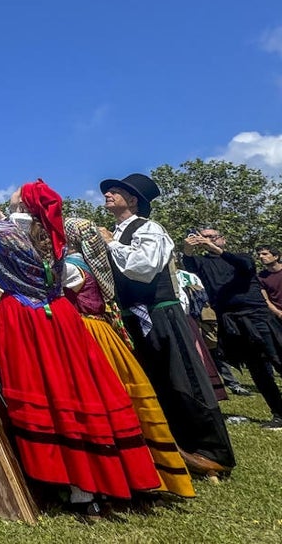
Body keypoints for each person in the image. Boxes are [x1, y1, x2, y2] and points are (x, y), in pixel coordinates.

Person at [0, 181, 160, 513]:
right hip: (62, 317)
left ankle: (67, 478)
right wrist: (4, 219)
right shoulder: (53, 233)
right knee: (78, 389)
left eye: (13, 203)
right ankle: (104, 475)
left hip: (26, 319)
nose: (7, 207)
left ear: (23, 208)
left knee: (45, 390)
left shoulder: (4, 231)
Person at [97, 173, 235, 477]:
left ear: (132, 201)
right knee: (157, 379)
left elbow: (143, 268)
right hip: (134, 315)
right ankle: (178, 446)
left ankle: (214, 452)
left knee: (185, 377)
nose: (108, 194)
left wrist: (110, 244)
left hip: (161, 312)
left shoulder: (149, 228)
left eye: (116, 191)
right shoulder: (115, 234)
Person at [60, 217, 195, 498]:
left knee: (95, 399)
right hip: (100, 332)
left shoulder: (71, 268)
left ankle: (112, 471)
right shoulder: (88, 265)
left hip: (86, 334)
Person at [181, 227, 282, 430]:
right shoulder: (203, 262)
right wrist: (187, 248)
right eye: (204, 237)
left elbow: (244, 265)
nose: (207, 240)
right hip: (231, 320)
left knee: (278, 358)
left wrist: (211, 246)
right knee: (257, 369)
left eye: (212, 237)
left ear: (222, 240)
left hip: (256, 316)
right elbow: (189, 264)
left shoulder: (240, 258)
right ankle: (279, 413)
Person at [259, 245, 282, 318]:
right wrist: (278, 313)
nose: (261, 257)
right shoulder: (261, 277)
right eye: (259, 254)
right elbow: (265, 299)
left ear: (276, 257)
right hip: (277, 316)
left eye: (265, 254)